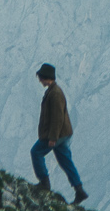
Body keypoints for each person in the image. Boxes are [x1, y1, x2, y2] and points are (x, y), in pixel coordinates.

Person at [31, 62, 88, 203]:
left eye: (40, 77)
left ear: (45, 77)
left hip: (57, 135)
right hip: (63, 134)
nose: (39, 80)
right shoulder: (53, 91)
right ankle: (79, 190)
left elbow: (57, 118)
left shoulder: (55, 94)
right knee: (65, 160)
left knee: (36, 152)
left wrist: (53, 138)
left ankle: (44, 183)